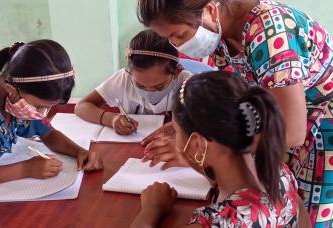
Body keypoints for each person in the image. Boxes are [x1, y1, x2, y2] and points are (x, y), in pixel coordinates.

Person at [137, 1, 333, 225]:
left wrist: (194, 151)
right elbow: (231, 102)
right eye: (169, 39)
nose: (177, 46)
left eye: (179, 35)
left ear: (210, 10)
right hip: (273, 135)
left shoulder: (271, 32)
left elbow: (292, 130)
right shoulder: (220, 38)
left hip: (320, 133)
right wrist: (190, 123)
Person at [131, 71, 310, 227]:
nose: (175, 141)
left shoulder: (221, 221)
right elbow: (302, 216)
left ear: (197, 144)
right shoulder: (280, 174)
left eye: (176, 132)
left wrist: (151, 209)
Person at [0, 40, 103, 191]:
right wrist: (25, 169)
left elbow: (48, 133)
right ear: (11, 90)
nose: (41, 113)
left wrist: (79, 152)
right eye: (39, 106)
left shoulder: (18, 100)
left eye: (47, 107)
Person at [75, 30, 192, 135]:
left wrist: (182, 128)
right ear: (129, 72)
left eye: (159, 87)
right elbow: (81, 107)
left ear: (177, 72)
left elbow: (205, 120)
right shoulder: (123, 79)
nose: (148, 92)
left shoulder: (187, 83)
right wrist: (111, 119)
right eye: (140, 86)